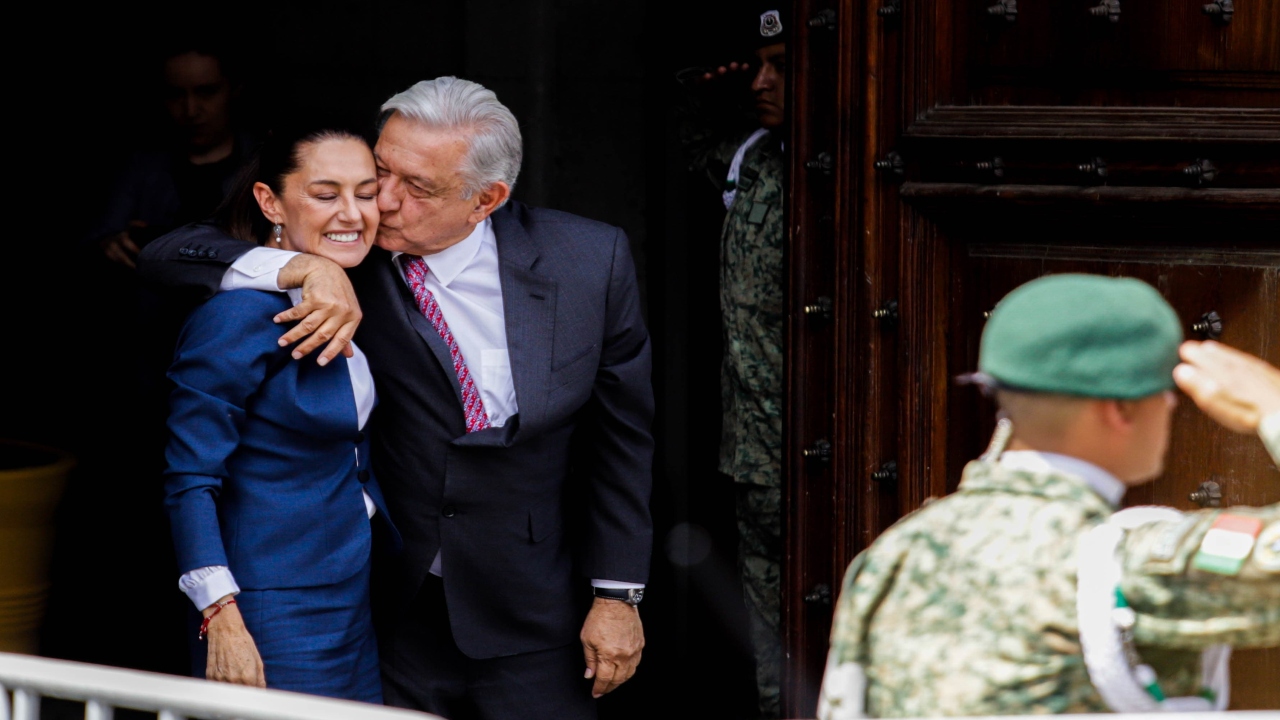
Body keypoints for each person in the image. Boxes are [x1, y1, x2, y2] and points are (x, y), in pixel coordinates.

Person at [139, 77, 653, 720]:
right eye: (381, 169)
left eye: (417, 187)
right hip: (383, 605)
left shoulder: (588, 260)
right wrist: (302, 268)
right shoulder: (350, 254)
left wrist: (617, 593)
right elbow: (167, 255)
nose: (379, 200)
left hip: (534, 611)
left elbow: (621, 439)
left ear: (485, 199)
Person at [817, 273, 1280, 718]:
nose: (1173, 405)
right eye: (1164, 390)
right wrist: (1273, 408)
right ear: (1120, 407)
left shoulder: (895, 553)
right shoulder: (1120, 565)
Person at [163, 122, 399, 702]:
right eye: (325, 194)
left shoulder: (354, 284)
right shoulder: (236, 315)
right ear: (269, 201)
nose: (351, 213)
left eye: (365, 193)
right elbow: (189, 478)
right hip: (266, 608)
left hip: (349, 597)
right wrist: (221, 615)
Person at [675, 4, 788, 716]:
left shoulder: (859, 160)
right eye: (759, 66)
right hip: (756, 455)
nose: (762, 83)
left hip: (839, 451)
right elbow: (690, 136)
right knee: (772, 639)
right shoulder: (752, 156)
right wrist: (714, 81)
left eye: (781, 69)